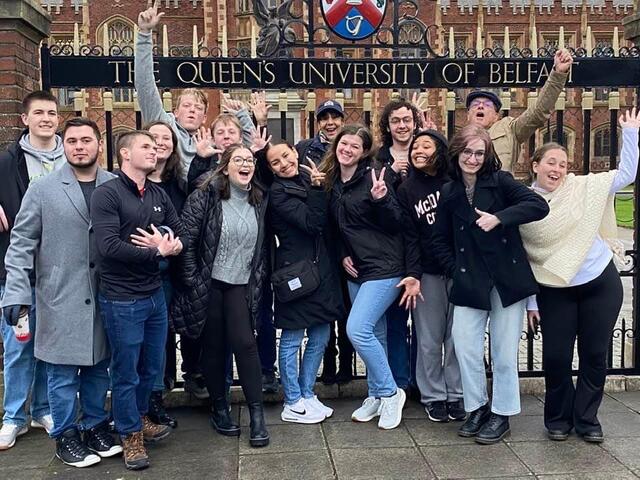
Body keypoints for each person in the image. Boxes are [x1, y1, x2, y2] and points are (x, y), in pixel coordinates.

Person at [1, 118, 120, 467]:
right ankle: (65, 435)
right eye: (71, 141)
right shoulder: (42, 189)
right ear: (63, 145)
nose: (79, 146)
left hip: (105, 294)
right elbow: (21, 243)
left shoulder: (113, 185)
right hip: (60, 295)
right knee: (62, 374)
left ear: (99, 144)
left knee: (100, 368)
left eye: (86, 139)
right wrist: (16, 293)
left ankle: (95, 425)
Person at [521, 109, 640, 443]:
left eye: (563, 163)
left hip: (599, 283)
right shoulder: (524, 202)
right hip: (552, 287)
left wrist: (630, 132)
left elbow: (627, 173)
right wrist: (530, 303)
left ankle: (587, 418)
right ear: (535, 165)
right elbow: (525, 258)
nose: (557, 168)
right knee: (556, 356)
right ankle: (558, 417)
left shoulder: (582, 187)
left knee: (594, 354)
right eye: (551, 162)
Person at [431, 124, 549, 444]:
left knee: (503, 352)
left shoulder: (501, 182)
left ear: (487, 156)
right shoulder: (449, 192)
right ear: (457, 153)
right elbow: (439, 240)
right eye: (467, 152)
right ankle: (478, 407)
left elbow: (539, 206)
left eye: (479, 153)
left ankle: (502, 413)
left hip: (506, 279)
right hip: (470, 280)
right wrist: (456, 270)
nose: (472, 158)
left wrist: (500, 217)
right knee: (465, 346)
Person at [91, 130, 185, 470]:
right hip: (121, 299)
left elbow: (177, 230)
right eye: (146, 146)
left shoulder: (157, 193)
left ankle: (141, 418)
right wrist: (157, 251)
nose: (155, 149)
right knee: (126, 370)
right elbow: (108, 247)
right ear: (124, 154)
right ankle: (129, 434)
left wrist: (172, 245)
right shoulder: (107, 194)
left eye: (155, 145)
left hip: (154, 294)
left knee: (152, 367)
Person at [170, 144, 270, 448]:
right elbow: (187, 240)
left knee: (246, 345)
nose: (245, 165)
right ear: (225, 167)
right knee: (213, 348)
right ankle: (220, 407)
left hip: (241, 284)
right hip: (210, 284)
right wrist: (192, 279)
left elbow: (263, 246)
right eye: (237, 160)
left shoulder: (259, 199)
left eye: (249, 160)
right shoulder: (205, 195)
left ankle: (257, 415)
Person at [320, 125, 410, 430]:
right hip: (356, 267)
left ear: (364, 151)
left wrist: (380, 199)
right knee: (377, 333)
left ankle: (390, 392)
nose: (347, 150)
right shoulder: (334, 181)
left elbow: (396, 223)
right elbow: (338, 227)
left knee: (357, 329)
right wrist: (343, 252)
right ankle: (374, 394)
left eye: (355, 146)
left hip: (384, 266)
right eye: (344, 144)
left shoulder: (377, 176)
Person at [0, 90, 63, 450]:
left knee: (47, 346)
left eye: (51, 113)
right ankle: (12, 417)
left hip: (57, 270)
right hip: (17, 269)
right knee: (18, 344)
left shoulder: (70, 158)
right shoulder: (8, 162)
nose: (46, 118)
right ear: (25, 119)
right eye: (38, 113)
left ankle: (42, 409)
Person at [265, 141, 345, 424]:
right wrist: (316, 190)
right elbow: (312, 223)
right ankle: (292, 400)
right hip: (297, 273)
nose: (283, 163)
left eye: (285, 156)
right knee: (292, 338)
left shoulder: (307, 176)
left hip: (320, 271)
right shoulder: (278, 193)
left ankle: (307, 393)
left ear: (295, 152)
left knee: (321, 334)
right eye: (275, 162)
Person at [135, 1, 256, 184]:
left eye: (198, 108)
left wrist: (242, 115)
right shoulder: (165, 125)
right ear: (176, 112)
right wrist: (144, 35)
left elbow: (246, 148)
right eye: (187, 105)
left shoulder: (211, 142)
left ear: (205, 117)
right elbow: (145, 86)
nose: (192, 110)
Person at [397, 129, 465, 423]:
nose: (418, 150)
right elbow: (408, 237)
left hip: (460, 270)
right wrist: (413, 274)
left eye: (426, 145)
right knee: (428, 338)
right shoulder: (406, 189)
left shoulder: (455, 182)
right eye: (415, 146)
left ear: (440, 150)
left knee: (457, 338)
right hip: (428, 272)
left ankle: (457, 394)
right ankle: (433, 396)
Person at [296, 99, 354, 384]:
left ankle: (346, 363)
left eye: (335, 117)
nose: (330, 122)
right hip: (317, 236)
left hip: (346, 237)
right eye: (324, 118)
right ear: (317, 121)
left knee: (346, 305)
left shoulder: (351, 146)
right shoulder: (304, 149)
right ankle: (327, 363)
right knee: (322, 305)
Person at [376, 98, 426, 392]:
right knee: (396, 322)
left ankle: (422, 380)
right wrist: (393, 171)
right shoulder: (379, 158)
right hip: (393, 250)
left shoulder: (427, 152)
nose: (402, 125)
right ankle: (400, 382)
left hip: (426, 249)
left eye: (407, 119)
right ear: (388, 125)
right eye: (396, 120)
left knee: (425, 326)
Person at [466, 48, 573, 171]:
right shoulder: (457, 141)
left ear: (496, 116)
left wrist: (557, 74)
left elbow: (537, 113)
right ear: (468, 115)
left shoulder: (509, 129)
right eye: (475, 104)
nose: (480, 106)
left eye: (487, 104)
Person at [146, 120, 187, 429]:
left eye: (166, 138)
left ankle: (160, 392)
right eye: (153, 137)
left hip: (174, 269)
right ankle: (148, 401)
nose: (160, 142)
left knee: (163, 334)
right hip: (140, 271)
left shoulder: (179, 182)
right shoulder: (130, 182)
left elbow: (183, 224)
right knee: (144, 341)